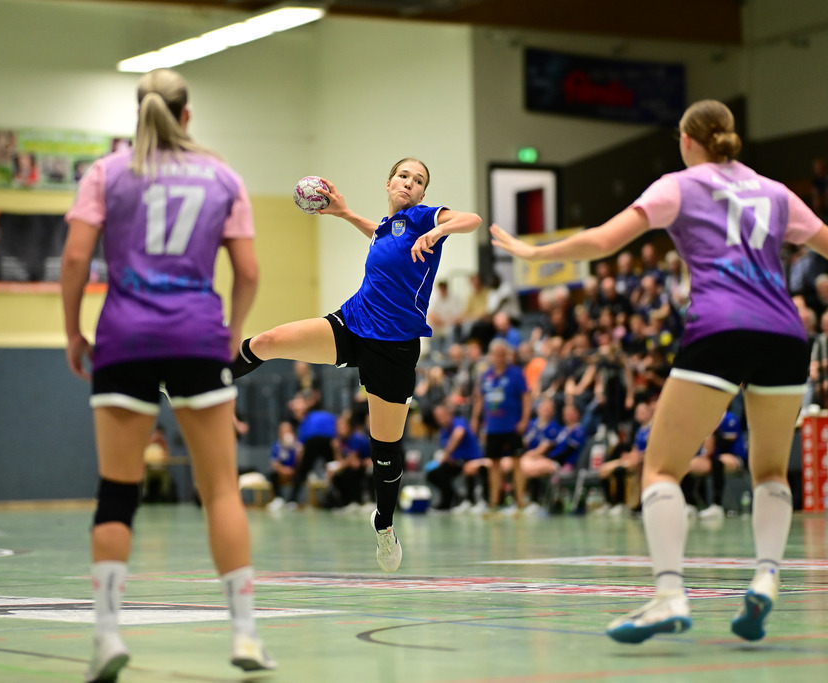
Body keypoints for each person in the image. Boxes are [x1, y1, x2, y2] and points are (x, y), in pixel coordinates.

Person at [490, 99, 828, 645]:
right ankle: (766, 575)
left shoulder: (679, 186)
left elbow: (602, 240)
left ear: (688, 141)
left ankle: (669, 593)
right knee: (769, 471)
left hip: (721, 327)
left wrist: (533, 252)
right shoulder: (775, 191)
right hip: (786, 333)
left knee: (661, 469)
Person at [61, 69, 274, 680]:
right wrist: (230, 335)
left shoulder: (105, 173)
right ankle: (245, 636)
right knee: (222, 493)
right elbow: (250, 270)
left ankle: (105, 636)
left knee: (117, 491)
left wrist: (73, 331)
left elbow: (76, 256)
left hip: (123, 338)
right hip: (196, 338)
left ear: (139, 113)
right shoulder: (223, 175)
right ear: (187, 116)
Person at [232, 157, 481, 572]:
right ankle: (201, 380)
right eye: (403, 176)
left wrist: (438, 230)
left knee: (384, 451)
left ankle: (384, 525)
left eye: (418, 180)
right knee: (269, 340)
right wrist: (345, 213)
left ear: (422, 193)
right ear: (389, 183)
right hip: (353, 324)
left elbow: (471, 218)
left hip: (395, 350)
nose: (410, 183)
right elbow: (380, 234)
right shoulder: (388, 229)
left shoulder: (422, 219)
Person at [471, 338, 531, 512]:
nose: (498, 357)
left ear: (507, 355)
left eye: (501, 354)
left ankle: (520, 501)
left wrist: (525, 420)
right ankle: (494, 502)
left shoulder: (516, 374)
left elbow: (526, 397)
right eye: (495, 354)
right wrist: (476, 419)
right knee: (493, 465)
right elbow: (480, 399)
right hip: (493, 427)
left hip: (513, 426)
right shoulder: (486, 376)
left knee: (517, 463)